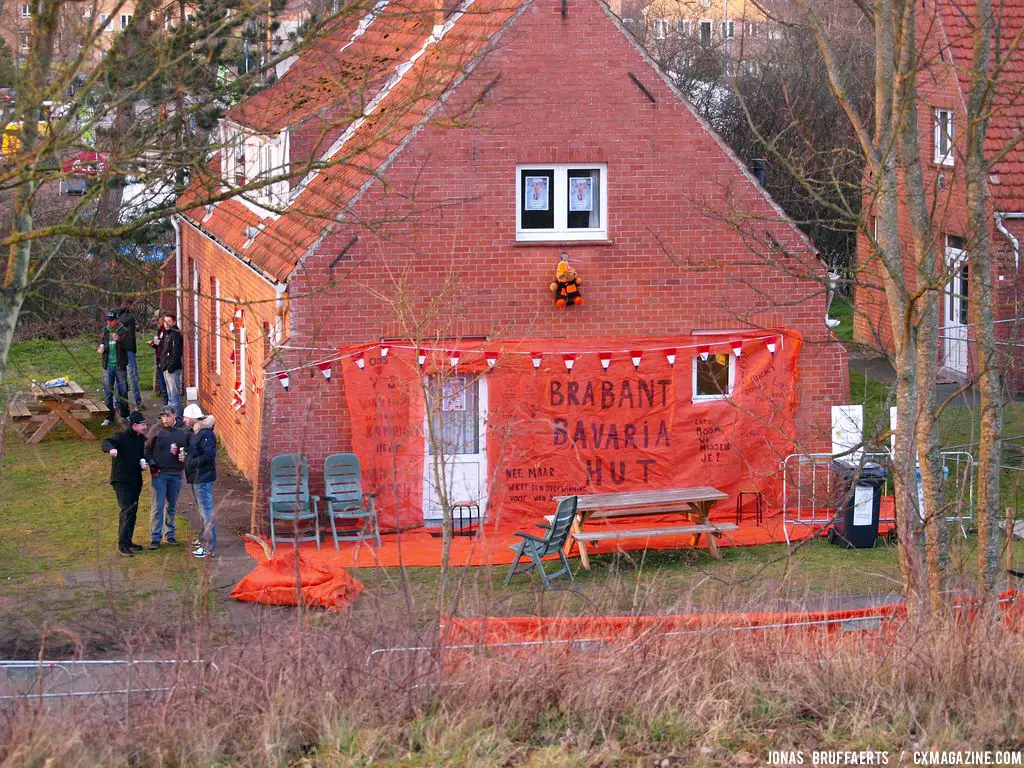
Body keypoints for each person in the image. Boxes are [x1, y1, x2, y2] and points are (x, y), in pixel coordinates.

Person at [102, 411, 148, 557]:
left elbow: (142, 455)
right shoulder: (121, 437)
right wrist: (112, 449)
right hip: (122, 480)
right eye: (143, 424)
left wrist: (144, 462)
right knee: (126, 510)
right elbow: (106, 442)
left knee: (132, 511)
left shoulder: (140, 439)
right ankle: (122, 544)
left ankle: (128, 541)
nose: (145, 427)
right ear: (134, 425)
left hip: (135, 479)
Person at [145, 405, 188, 549]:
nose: (165, 419)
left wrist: (184, 456)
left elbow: (188, 450)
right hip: (160, 474)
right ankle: (155, 537)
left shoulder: (183, 431)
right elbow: (147, 450)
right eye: (163, 416)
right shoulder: (155, 430)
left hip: (176, 474)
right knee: (157, 506)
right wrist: (152, 465)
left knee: (172, 506)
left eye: (168, 416)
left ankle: (169, 535)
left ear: (175, 415)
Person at [183, 403, 217, 558]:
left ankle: (209, 547)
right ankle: (205, 541)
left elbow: (208, 456)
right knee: (203, 511)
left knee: (207, 512)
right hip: (197, 477)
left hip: (202, 477)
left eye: (185, 417)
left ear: (192, 418)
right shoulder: (195, 432)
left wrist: (190, 462)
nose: (183, 420)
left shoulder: (205, 434)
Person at [97, 309, 130, 427]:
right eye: (108, 320)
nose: (109, 322)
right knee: (107, 391)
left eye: (111, 320)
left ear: (117, 320)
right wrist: (100, 349)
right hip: (108, 365)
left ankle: (125, 415)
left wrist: (119, 340)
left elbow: (129, 346)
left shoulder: (124, 331)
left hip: (120, 365)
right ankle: (109, 416)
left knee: (123, 391)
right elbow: (101, 344)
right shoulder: (105, 331)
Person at [116, 298, 143, 411]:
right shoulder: (128, 317)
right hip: (128, 349)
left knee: (123, 376)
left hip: (123, 350)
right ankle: (136, 402)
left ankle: (120, 402)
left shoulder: (120, 317)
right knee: (131, 375)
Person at [159, 314, 184, 423]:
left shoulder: (176, 335)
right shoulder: (167, 334)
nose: (166, 324)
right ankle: (170, 418)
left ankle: (178, 418)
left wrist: (170, 367)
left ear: (174, 322)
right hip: (165, 368)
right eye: (165, 322)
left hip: (172, 369)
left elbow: (176, 353)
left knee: (174, 396)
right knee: (170, 395)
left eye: (169, 321)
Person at [148, 312, 168, 406]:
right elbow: (159, 344)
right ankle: (165, 398)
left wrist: (158, 344)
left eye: (158, 319)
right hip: (159, 357)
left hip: (165, 359)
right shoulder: (160, 330)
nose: (157, 322)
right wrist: (154, 344)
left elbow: (165, 344)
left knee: (165, 380)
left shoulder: (167, 330)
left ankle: (167, 400)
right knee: (161, 379)